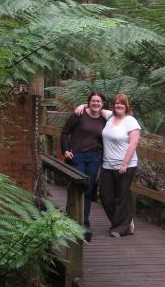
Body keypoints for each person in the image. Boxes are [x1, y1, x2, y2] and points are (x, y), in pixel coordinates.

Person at [75, 93, 141, 237]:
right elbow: (95, 105)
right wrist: (82, 105)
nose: (119, 105)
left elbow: (133, 143)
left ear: (126, 106)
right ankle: (125, 221)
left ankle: (119, 228)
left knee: (121, 197)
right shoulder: (110, 116)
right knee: (105, 196)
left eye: (122, 103)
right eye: (117, 103)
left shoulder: (131, 121)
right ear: (113, 105)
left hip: (126, 165)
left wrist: (124, 163)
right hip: (107, 165)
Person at [60, 91, 106, 241]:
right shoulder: (79, 114)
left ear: (102, 104)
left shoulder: (104, 119)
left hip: (93, 158)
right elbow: (65, 132)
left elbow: (123, 113)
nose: (96, 104)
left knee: (88, 189)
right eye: (93, 101)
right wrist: (65, 150)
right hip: (77, 156)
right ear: (88, 102)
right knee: (77, 187)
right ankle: (71, 219)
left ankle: (84, 222)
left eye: (98, 102)